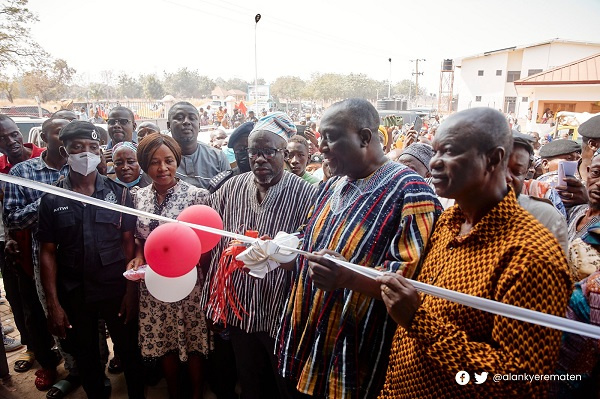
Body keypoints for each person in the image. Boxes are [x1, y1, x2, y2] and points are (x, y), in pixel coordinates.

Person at [376, 108, 571, 398]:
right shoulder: (449, 222)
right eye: (436, 151)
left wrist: (419, 321)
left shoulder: (531, 255)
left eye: (450, 152)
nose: (435, 163)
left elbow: (521, 382)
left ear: (492, 159)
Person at [277, 99, 442, 398]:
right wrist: (281, 251)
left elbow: (405, 283)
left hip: (354, 349)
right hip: (310, 337)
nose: (321, 147)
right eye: (320, 138)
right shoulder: (332, 185)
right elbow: (308, 238)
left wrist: (346, 277)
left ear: (365, 137)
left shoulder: (411, 191)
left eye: (330, 137)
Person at [202, 112, 318, 398]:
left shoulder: (306, 193)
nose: (260, 159)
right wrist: (213, 302)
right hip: (240, 308)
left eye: (269, 152)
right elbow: (209, 234)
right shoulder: (232, 186)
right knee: (250, 381)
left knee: (285, 385)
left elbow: (314, 244)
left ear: (284, 153)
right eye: (254, 152)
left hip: (282, 311)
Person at [37, 121, 144, 399]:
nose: (87, 153)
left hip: (115, 289)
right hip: (74, 292)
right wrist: (53, 303)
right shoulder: (51, 198)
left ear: (101, 151)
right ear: (65, 151)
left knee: (129, 351)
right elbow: (47, 252)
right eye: (78, 148)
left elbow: (128, 242)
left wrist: (130, 292)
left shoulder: (119, 194)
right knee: (86, 355)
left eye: (93, 147)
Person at [127, 134, 211, 399]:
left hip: (189, 285)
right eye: (154, 162)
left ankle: (196, 393)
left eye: (168, 161)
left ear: (177, 162)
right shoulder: (137, 196)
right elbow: (141, 238)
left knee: (194, 341)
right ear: (144, 165)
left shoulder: (197, 196)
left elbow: (205, 244)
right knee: (165, 343)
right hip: (153, 285)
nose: (162, 168)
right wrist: (139, 257)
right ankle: (174, 392)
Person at [507, 131, 568, 253]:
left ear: (526, 172)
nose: (506, 177)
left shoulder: (546, 217)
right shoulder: (460, 213)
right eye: (497, 167)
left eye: (516, 171)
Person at [167, 101, 230, 190]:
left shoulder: (218, 157)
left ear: (199, 125)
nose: (186, 122)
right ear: (168, 125)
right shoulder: (158, 159)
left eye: (192, 118)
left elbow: (227, 194)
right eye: (180, 118)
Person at [207, 121, 253, 193]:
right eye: (241, 149)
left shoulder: (273, 179)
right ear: (234, 151)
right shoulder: (223, 184)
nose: (247, 153)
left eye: (251, 148)